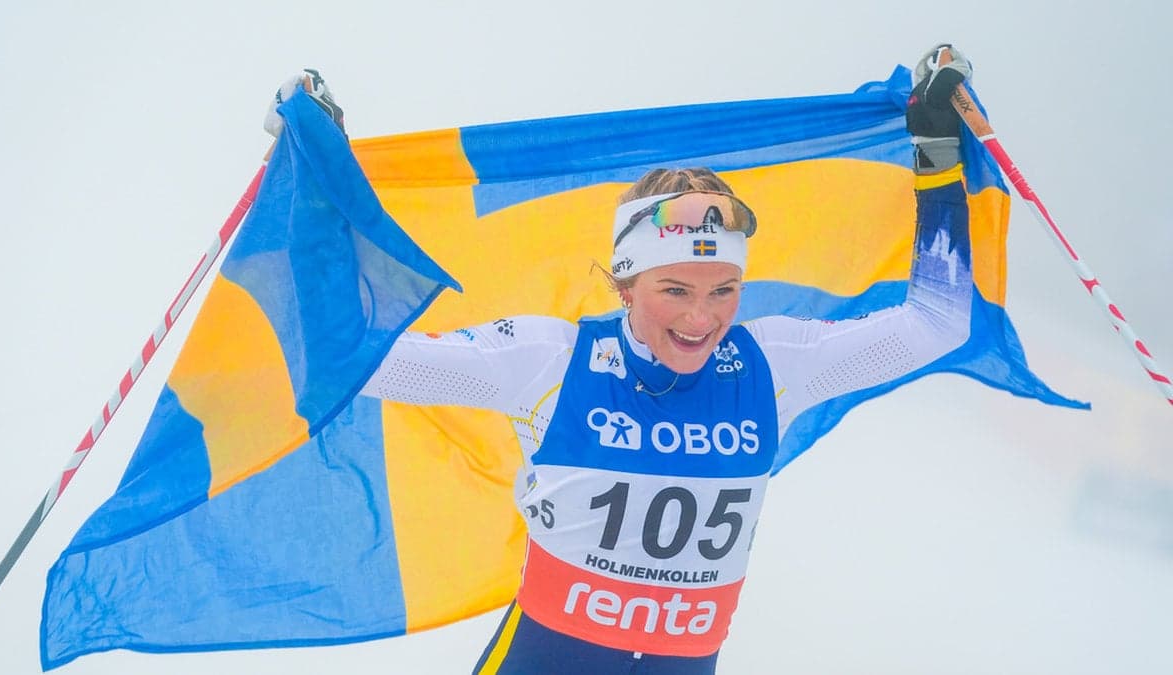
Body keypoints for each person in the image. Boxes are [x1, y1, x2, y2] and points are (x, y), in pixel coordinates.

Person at [270, 44, 974, 674]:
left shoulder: (775, 363)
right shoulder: (547, 359)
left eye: (724, 291)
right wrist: (318, 181)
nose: (701, 319)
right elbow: (351, 362)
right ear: (625, 285)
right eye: (675, 291)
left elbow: (937, 323)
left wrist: (938, 154)